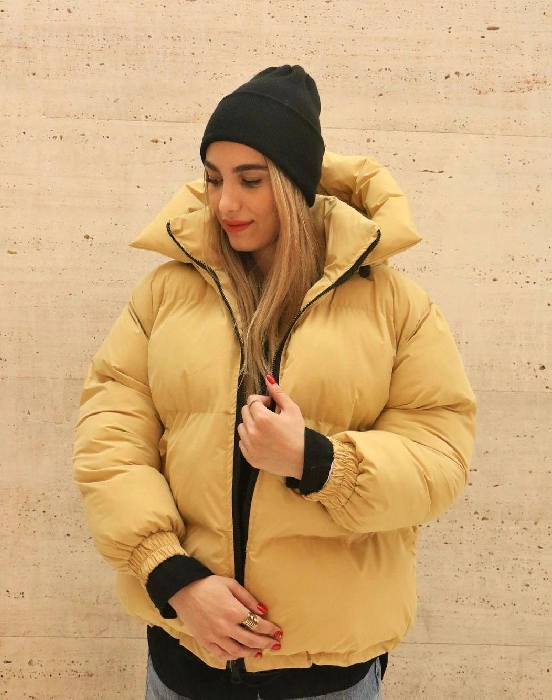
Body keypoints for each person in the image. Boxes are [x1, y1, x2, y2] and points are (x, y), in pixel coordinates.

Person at [73, 65, 476, 700]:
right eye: (213, 178)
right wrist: (172, 575)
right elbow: (109, 440)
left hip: (327, 671)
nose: (225, 203)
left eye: (251, 180)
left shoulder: (396, 307)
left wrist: (317, 462)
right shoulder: (164, 295)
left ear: (293, 182)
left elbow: (441, 458)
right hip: (188, 658)